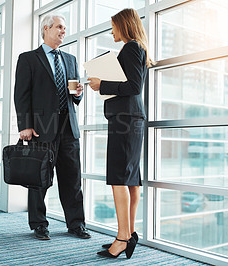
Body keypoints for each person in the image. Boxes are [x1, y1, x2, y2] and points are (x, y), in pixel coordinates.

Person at [14, 14, 91, 241]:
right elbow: (22, 95)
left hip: (69, 129)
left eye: (65, 28)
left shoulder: (70, 59)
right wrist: (25, 125)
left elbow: (73, 96)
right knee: (39, 180)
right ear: (46, 28)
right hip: (41, 129)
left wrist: (79, 94)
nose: (63, 31)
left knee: (72, 179)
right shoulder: (28, 58)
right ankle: (39, 224)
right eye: (59, 27)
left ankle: (76, 224)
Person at [87, 8, 152, 259]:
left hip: (125, 120)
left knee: (118, 178)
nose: (111, 31)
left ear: (124, 25)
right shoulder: (137, 48)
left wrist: (101, 84)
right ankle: (129, 233)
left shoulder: (131, 48)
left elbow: (134, 86)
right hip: (131, 119)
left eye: (113, 26)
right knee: (131, 179)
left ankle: (123, 238)